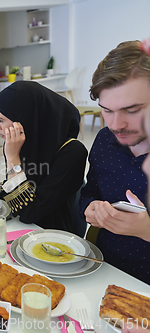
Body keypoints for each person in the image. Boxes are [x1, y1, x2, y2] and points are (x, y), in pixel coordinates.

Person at [0, 81, 88, 236]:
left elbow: (29, 212)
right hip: (25, 232)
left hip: (54, 239)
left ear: (25, 120)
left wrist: (12, 160)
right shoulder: (28, 144)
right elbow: (16, 186)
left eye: (1, 119)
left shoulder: (72, 153)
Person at [80, 41, 150, 284]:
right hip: (102, 270)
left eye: (131, 110)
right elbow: (90, 192)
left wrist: (145, 230)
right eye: (106, 110)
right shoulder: (105, 140)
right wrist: (90, 208)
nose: (115, 124)